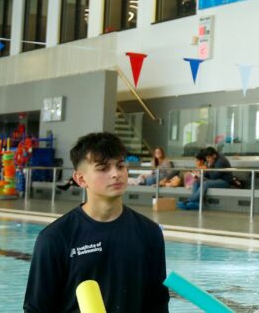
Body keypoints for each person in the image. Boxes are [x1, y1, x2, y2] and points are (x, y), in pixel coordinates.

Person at [23, 132, 169, 312]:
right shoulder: (55, 238)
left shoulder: (149, 232)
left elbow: (158, 303)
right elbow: (37, 308)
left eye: (120, 166)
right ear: (80, 179)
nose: (116, 174)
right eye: (103, 168)